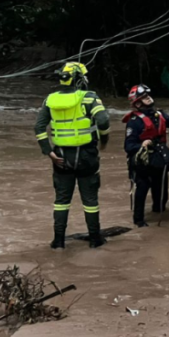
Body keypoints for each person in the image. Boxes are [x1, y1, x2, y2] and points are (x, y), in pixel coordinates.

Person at [34, 62, 111, 249]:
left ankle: (58, 242)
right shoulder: (89, 97)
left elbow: (39, 127)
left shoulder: (50, 100)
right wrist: (104, 141)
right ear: (80, 79)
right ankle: (95, 240)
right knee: (90, 201)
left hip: (60, 157)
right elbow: (103, 119)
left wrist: (49, 152)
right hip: (87, 156)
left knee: (61, 201)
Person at [122, 84, 169, 227]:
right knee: (142, 188)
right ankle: (139, 220)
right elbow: (128, 146)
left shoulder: (159, 115)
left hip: (159, 159)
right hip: (143, 161)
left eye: (148, 96)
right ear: (138, 103)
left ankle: (158, 209)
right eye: (145, 97)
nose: (149, 98)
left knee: (161, 192)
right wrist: (142, 145)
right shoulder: (134, 122)